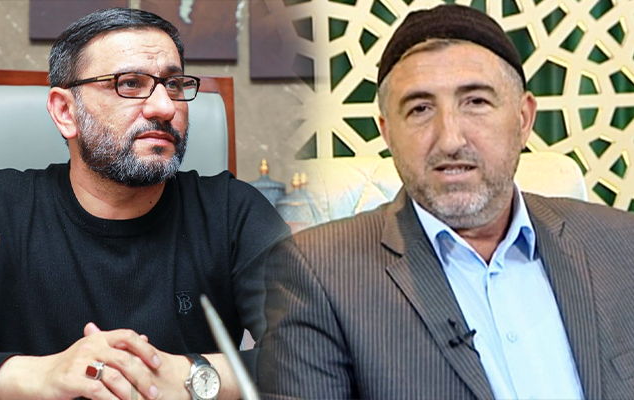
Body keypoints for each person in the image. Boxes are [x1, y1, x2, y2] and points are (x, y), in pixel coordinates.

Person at [258, 4, 634, 399]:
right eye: (420, 109)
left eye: (476, 102)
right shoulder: (319, 276)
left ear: (524, 119)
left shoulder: (620, 244)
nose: (451, 139)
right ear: (387, 133)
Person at [0, 7, 289, 400]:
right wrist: (41, 374)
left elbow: (313, 350)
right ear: (66, 112)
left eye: (174, 84)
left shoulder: (233, 212)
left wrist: (191, 375)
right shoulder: (4, 208)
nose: (165, 108)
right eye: (130, 84)